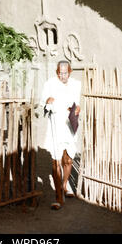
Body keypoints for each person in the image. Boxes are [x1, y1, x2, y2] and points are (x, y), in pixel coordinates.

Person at [40, 60, 81, 210]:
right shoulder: (50, 84)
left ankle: (64, 185)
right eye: (59, 73)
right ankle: (58, 197)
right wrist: (47, 101)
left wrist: (77, 109)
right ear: (57, 72)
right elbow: (43, 101)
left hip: (69, 126)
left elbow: (78, 103)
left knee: (68, 159)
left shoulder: (76, 84)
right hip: (55, 127)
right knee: (56, 161)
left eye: (65, 73)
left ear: (69, 72)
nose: (62, 76)